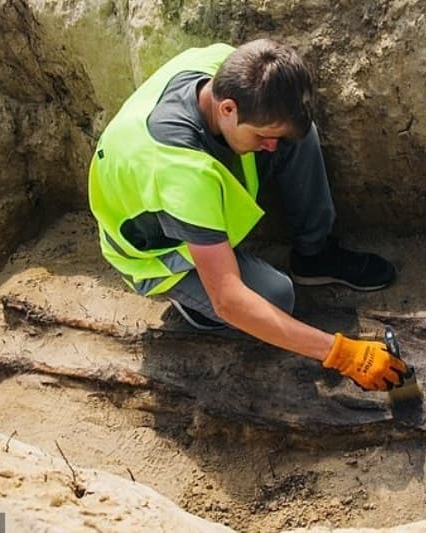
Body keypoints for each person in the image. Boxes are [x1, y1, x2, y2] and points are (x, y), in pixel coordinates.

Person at [88, 39, 408, 391]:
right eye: (262, 137)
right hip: (156, 252)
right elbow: (230, 301)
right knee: (275, 298)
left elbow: (276, 133)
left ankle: (314, 255)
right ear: (227, 109)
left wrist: (273, 136)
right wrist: (340, 353)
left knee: (294, 135)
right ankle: (193, 302)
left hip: (185, 194)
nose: (271, 147)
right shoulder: (182, 171)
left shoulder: (229, 66)